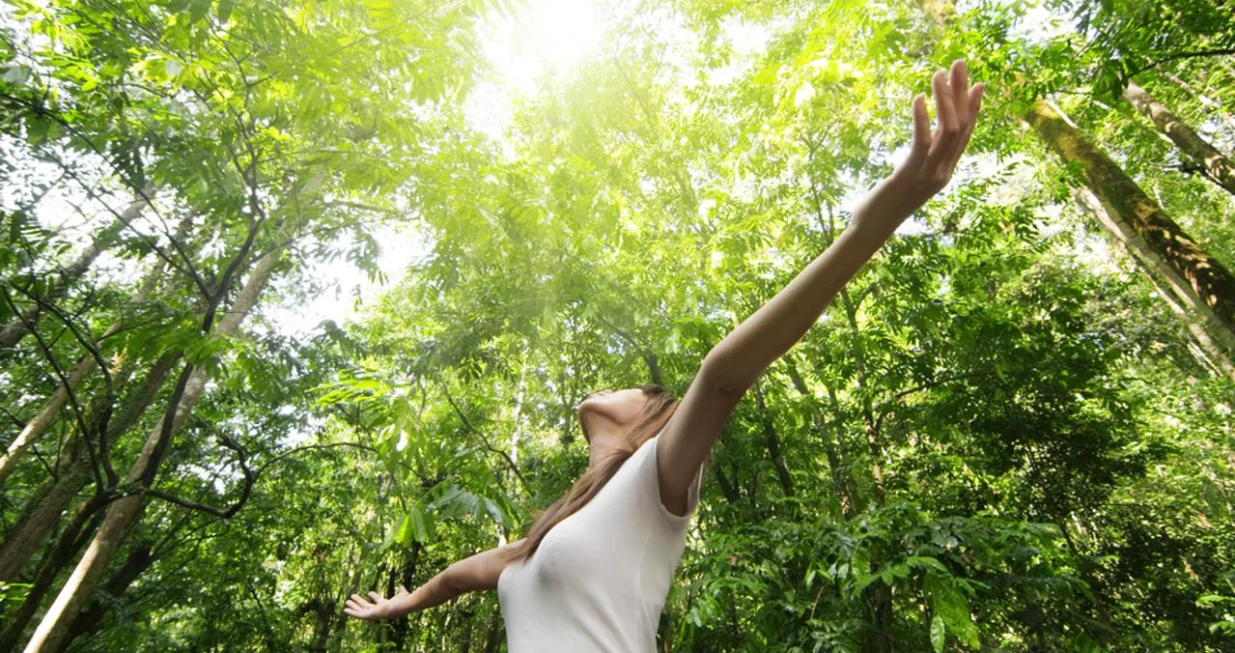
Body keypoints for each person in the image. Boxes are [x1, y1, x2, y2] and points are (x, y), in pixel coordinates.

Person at [344, 59, 986, 651]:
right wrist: (401, 604)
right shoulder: (543, 539)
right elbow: (459, 577)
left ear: (651, 420)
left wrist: (870, 225)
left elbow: (722, 376)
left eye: (635, 388)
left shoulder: (654, 478)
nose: (612, 386)